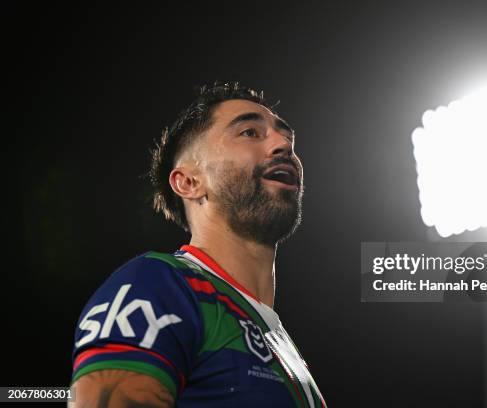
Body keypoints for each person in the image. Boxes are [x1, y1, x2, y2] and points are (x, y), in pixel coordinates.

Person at [70, 83, 326, 407]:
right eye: (249, 132)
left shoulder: (284, 346)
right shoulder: (157, 285)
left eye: (287, 138)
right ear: (190, 182)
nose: (282, 145)